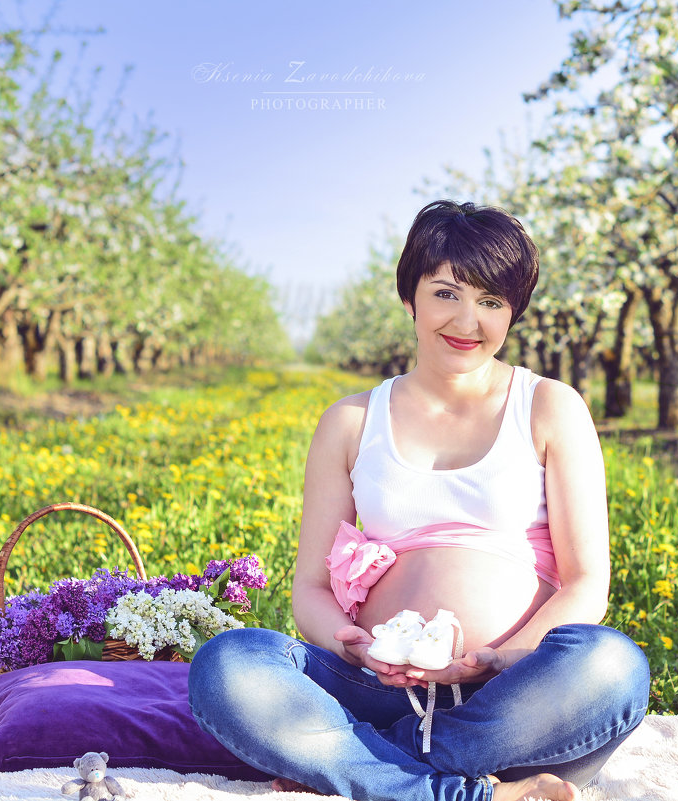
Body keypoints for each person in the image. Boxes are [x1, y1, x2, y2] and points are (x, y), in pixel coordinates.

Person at [188, 200, 650, 801]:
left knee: (611, 665)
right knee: (230, 662)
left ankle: (362, 771)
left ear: (513, 312)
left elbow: (586, 582)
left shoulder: (549, 407)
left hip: (508, 702)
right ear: (410, 299)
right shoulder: (351, 421)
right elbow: (312, 590)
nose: (467, 320)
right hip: (373, 690)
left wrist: (498, 658)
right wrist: (347, 642)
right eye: (446, 293)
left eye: (491, 301)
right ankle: (458, 793)